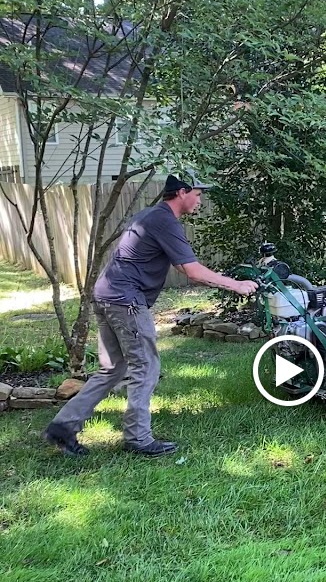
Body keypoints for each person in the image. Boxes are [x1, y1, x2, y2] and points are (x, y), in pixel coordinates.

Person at [44, 172, 257, 457]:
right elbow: (192, 271)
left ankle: (63, 426)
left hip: (107, 294)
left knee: (113, 369)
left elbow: (181, 266)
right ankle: (138, 438)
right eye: (197, 194)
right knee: (145, 367)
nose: (200, 200)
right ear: (182, 192)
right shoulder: (164, 221)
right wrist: (236, 285)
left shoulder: (151, 216)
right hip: (126, 301)